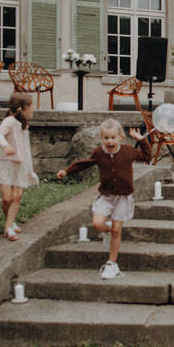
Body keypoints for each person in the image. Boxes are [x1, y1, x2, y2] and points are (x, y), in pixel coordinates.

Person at [56, 118, 151, 279]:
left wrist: (142, 140)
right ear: (102, 138)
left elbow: (146, 157)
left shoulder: (127, 151)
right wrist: (67, 171)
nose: (110, 141)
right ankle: (107, 232)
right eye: (106, 138)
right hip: (106, 196)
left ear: (120, 137)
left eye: (113, 137)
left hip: (123, 197)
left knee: (117, 230)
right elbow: (84, 163)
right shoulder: (99, 153)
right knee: (97, 223)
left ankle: (111, 264)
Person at [0, 93, 39, 241]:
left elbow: (25, 148)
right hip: (5, 162)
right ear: (23, 108)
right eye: (31, 107)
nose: (33, 110)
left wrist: (29, 168)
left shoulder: (24, 125)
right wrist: (6, 147)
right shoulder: (9, 121)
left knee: (17, 196)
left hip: (20, 164)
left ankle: (8, 228)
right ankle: (9, 222)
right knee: (7, 198)